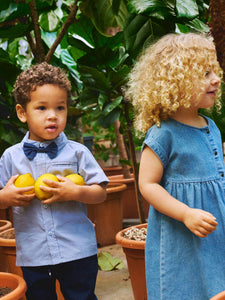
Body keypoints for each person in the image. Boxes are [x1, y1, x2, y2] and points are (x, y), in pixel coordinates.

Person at [125, 32, 225, 299]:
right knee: (185, 285)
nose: (216, 79)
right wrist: (185, 213)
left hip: (213, 227)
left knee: (216, 282)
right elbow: (147, 185)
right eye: (204, 73)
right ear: (176, 81)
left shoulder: (210, 126)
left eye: (214, 71)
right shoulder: (162, 133)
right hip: (181, 230)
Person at [0, 62, 109, 300]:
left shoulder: (78, 152)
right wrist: (6, 197)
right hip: (34, 253)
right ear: (22, 113)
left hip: (77, 250)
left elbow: (101, 193)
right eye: (41, 108)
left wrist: (76, 192)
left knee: (82, 296)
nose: (53, 115)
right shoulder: (10, 157)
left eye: (60, 108)